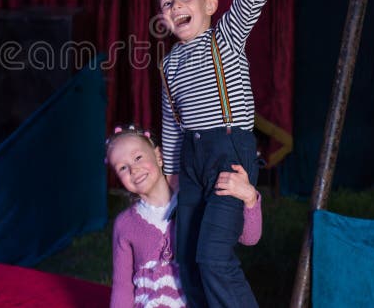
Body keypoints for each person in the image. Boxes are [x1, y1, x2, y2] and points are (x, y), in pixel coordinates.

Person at [157, 0, 310, 307]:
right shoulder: (168, 64)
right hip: (191, 164)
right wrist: (173, 173)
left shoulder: (225, 36)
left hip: (229, 155)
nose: (176, 7)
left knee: (213, 258)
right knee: (188, 260)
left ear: (210, 5)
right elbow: (172, 122)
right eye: (167, 4)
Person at [106, 124, 262, 308]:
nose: (134, 169)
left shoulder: (195, 204)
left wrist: (250, 198)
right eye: (123, 168)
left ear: (158, 156)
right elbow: (122, 287)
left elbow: (249, 238)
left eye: (138, 157)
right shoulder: (125, 224)